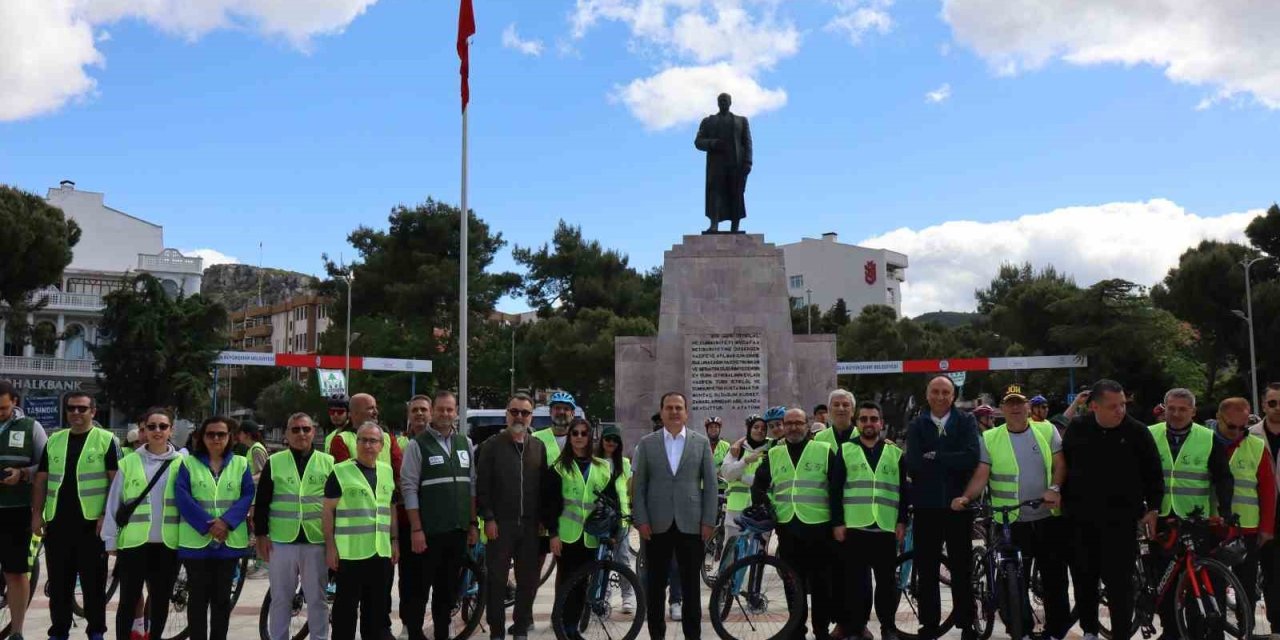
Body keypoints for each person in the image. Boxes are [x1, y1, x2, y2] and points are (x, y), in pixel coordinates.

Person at [953, 386, 1069, 640]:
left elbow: (1060, 464)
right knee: (1012, 580)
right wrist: (967, 496)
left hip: (1047, 516)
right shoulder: (991, 438)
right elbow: (982, 474)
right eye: (1010, 404)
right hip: (1009, 520)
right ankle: (1020, 628)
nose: (1015, 408)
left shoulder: (1047, 430)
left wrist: (1055, 488)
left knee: (1055, 578)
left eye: (1019, 403)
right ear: (1002, 409)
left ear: (1027, 406)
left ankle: (1056, 631)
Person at [1061, 379, 1164, 640]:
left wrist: (1153, 508)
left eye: (1122, 405)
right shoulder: (1078, 428)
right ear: (1094, 406)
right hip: (1081, 519)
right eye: (1112, 406)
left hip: (1121, 521)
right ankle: (1089, 631)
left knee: (1120, 584)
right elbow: (1064, 467)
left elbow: (1154, 474)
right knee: (1084, 580)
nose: (1120, 411)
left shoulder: (1138, 432)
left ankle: (1120, 634)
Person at [32, 391, 119, 640]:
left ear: (93, 411)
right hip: (58, 524)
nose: (76, 413)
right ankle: (58, 632)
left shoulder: (106, 440)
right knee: (59, 585)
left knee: (93, 585)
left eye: (82, 409)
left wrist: (106, 515)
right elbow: (41, 481)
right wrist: (36, 514)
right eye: (71, 408)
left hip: (92, 526)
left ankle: (96, 632)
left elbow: (116, 483)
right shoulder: (54, 441)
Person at [631, 391, 718, 640]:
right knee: (655, 586)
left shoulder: (700, 443)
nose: (674, 412)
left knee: (691, 586)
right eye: (669, 407)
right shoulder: (647, 444)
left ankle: (693, 635)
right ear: (662, 412)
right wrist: (642, 520)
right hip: (656, 525)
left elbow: (710, 485)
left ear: (686, 412)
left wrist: (708, 521)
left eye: (679, 407)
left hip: (691, 524)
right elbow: (640, 486)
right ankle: (657, 634)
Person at [1149, 388, 1234, 640]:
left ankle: (1197, 632)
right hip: (1160, 516)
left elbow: (1223, 479)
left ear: (1193, 412)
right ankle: (1171, 631)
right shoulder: (1148, 435)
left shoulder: (1208, 438)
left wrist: (1226, 510)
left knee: (1197, 578)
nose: (1175, 414)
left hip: (1195, 518)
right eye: (1171, 408)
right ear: (1164, 408)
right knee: (1164, 582)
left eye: (1182, 409)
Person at [752, 407, 842, 640]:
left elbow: (836, 489)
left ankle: (821, 631)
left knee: (822, 584)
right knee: (793, 584)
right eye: (789, 423)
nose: (793, 427)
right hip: (788, 528)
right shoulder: (774, 454)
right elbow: (758, 487)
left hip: (820, 528)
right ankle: (796, 630)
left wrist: (837, 523)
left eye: (798, 423)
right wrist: (767, 507)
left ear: (807, 425)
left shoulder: (823, 451)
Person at [904, 375, 979, 640]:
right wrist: (950, 459)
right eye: (935, 391)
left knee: (962, 568)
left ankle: (967, 623)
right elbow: (913, 462)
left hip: (959, 506)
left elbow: (971, 457)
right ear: (927, 395)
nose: (939, 396)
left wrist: (936, 456)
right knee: (926, 569)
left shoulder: (966, 421)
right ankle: (930, 625)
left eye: (945, 392)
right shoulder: (917, 425)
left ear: (953, 395)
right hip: (926, 507)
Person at [400, 391, 478, 640]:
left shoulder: (465, 443)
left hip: (457, 533)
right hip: (428, 533)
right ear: (433, 411)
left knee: (446, 595)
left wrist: (473, 524)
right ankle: (414, 635)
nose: (445, 414)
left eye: (450, 409)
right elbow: (409, 487)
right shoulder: (417, 444)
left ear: (456, 412)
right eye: (441, 409)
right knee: (418, 593)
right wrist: (416, 529)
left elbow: (472, 487)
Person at [103, 407, 183, 640]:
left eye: (163, 426)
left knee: (159, 601)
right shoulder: (129, 462)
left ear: (171, 430)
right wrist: (110, 539)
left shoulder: (182, 463)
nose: (157, 431)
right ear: (143, 430)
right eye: (152, 426)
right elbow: (114, 502)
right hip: (134, 544)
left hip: (168, 544)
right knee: (128, 601)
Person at [476, 393, 549, 640]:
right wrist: (488, 517)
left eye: (525, 413)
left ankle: (520, 629)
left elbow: (543, 487)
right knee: (496, 581)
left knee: (527, 582)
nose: (519, 417)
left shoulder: (538, 447)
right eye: (515, 411)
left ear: (531, 417)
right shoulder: (491, 446)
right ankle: (497, 631)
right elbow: (482, 485)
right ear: (507, 414)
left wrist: (543, 520)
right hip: (500, 525)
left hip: (530, 526)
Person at [174, 416, 254, 640]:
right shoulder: (187, 463)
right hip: (196, 543)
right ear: (202, 437)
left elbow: (247, 494)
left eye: (221, 434)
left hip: (228, 543)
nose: (216, 438)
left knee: (221, 600)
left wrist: (226, 522)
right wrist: (208, 525)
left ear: (230, 437)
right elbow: (182, 497)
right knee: (197, 600)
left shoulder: (241, 463)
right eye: (211, 434)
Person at [255, 412, 334, 640]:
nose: (301, 433)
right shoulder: (275, 462)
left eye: (306, 429)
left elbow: (335, 506)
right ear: (287, 434)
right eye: (296, 429)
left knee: (317, 599)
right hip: (281, 542)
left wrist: (333, 543)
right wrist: (261, 535)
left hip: (316, 542)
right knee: (281, 598)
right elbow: (262, 502)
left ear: (314, 432)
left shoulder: (328, 462)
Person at [833, 401, 906, 640]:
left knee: (887, 584)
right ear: (857, 423)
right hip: (855, 527)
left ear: (881, 423)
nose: (869, 423)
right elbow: (835, 490)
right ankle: (856, 628)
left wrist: (901, 521)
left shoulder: (895, 453)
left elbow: (903, 491)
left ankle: (888, 627)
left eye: (873, 419)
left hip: (885, 527)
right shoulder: (845, 450)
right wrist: (838, 523)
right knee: (856, 585)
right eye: (863, 419)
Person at [324, 422, 398, 640]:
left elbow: (391, 507)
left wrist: (395, 540)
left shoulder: (386, 472)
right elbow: (328, 510)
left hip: (380, 553)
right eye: (363, 440)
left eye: (373, 440)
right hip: (350, 555)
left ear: (381, 445)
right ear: (356, 443)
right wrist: (330, 547)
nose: (367, 445)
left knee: (376, 614)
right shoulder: (341, 471)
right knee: (345, 614)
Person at [545, 418, 618, 638]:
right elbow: (549, 504)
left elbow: (612, 501)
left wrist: (613, 532)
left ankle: (572, 627)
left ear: (590, 437)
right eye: (574, 433)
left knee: (582, 585)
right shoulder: (559, 467)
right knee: (567, 583)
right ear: (569, 437)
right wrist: (553, 534)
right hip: (567, 536)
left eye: (583, 433)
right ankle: (561, 626)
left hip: (592, 537)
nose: (578, 437)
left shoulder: (603, 466)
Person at [1215, 397, 1276, 634]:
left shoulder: (1255, 446)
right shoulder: (1206, 442)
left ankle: (1246, 630)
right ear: (1219, 419)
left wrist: (1267, 527)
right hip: (1213, 526)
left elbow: (1268, 491)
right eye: (1232, 427)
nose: (1239, 432)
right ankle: (1214, 631)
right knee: (1213, 585)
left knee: (1246, 587)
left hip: (1247, 528)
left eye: (1244, 426)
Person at [0, 381, 46, 640]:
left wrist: (22, 474)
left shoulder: (31, 428)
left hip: (16, 509)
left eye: (3, 408)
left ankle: (16, 631)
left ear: (14, 402)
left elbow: (46, 466)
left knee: (15, 571)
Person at [694, 92, 752, 234]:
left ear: (730, 103)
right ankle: (714, 224)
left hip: (736, 163)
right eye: (721, 100)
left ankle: (735, 226)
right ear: (717, 103)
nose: (723, 103)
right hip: (717, 165)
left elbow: (748, 143)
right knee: (715, 193)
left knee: (736, 193)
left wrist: (748, 161)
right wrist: (713, 143)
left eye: (725, 100)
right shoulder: (709, 121)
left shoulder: (741, 121)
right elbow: (698, 141)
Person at [597, 424, 637, 614]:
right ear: (602, 441)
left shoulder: (625, 463)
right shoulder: (594, 461)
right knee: (600, 559)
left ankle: (627, 596)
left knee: (622, 559)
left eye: (615, 440)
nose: (611, 442)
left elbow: (629, 489)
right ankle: (602, 596)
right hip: (600, 517)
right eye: (608, 439)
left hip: (620, 517)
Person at [1252, 382, 1280, 640]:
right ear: (1263, 405)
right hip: (1262, 514)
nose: (1278, 408)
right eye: (1272, 403)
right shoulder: (1251, 436)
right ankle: (1276, 627)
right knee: (1271, 573)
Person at [721, 415, 771, 545]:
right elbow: (727, 473)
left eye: (763, 428)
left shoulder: (770, 450)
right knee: (731, 555)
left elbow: (768, 481)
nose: (760, 431)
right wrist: (745, 461)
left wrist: (741, 477)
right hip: (735, 511)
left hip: (760, 511)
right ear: (749, 429)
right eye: (756, 427)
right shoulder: (737, 449)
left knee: (758, 554)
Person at [238, 420, 269, 484]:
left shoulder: (256, 450)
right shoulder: (251, 448)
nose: (239, 436)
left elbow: (263, 473)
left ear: (248, 435)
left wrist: (245, 481)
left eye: (240, 433)